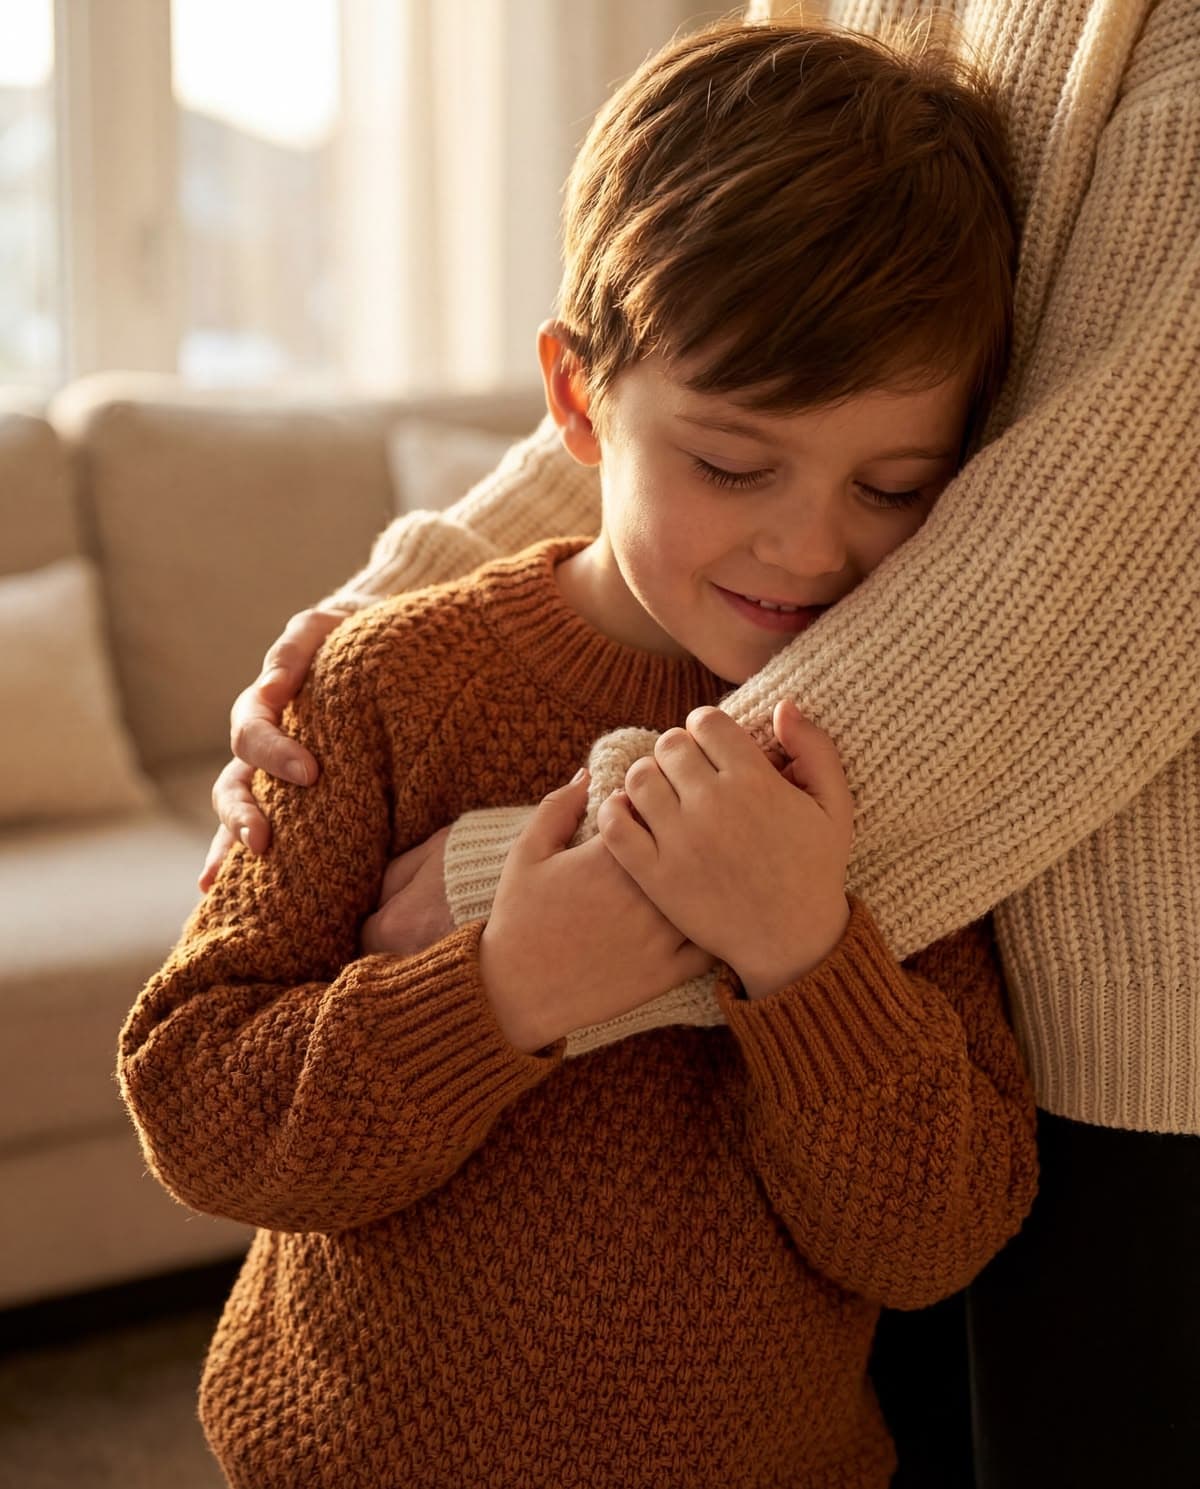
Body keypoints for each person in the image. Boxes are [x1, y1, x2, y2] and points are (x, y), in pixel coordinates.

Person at [204, 0, 1200, 1483]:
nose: (810, 550)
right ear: (574, 398)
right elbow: (201, 1099)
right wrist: (494, 983)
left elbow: (931, 1237)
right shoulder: (396, 692)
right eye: (735, 465)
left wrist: (800, 962)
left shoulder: (847, 808)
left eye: (902, 487)